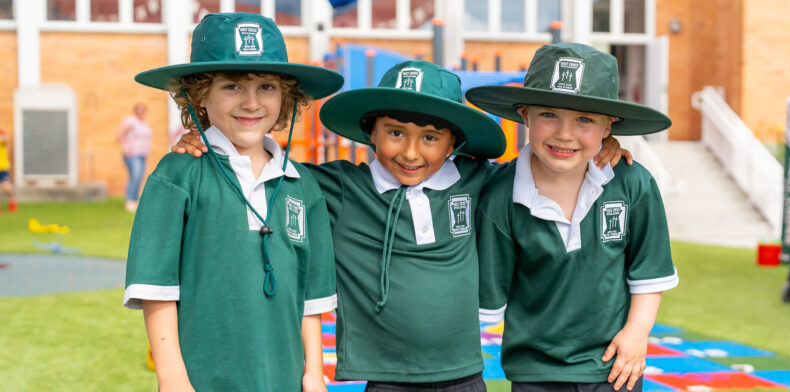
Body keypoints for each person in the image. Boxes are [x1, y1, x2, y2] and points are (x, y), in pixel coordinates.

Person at [175, 59, 629, 391]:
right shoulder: (333, 187)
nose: (411, 153)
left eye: (430, 138)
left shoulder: (481, 181)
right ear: (369, 131)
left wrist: (605, 149)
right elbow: (262, 164)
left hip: (465, 377)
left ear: (455, 143)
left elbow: (553, 162)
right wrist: (210, 138)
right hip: (384, 378)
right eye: (395, 132)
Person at [123, 13, 342, 391]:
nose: (252, 102)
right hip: (202, 381)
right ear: (199, 95)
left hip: (285, 380)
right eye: (232, 87)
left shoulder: (303, 185)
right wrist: (172, 378)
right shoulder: (177, 174)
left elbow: (310, 299)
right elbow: (156, 291)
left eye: (268, 87)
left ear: (286, 96)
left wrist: (312, 374)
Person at [467, 43, 678, 392]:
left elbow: (649, 271)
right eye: (549, 114)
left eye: (585, 119)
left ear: (609, 125)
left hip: (615, 368)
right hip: (535, 373)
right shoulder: (500, 195)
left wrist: (637, 333)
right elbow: (488, 299)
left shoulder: (633, 183)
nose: (565, 133)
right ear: (525, 115)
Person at [116, 102, 153, 212]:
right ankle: (130, 200)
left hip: (142, 154)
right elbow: (120, 134)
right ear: (135, 111)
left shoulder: (144, 124)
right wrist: (126, 148)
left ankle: (135, 199)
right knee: (135, 177)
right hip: (132, 154)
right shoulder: (131, 121)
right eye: (139, 110)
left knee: (140, 177)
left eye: (143, 110)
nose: (141, 112)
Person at [0, 128, 16, 213]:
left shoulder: (1, 136)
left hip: (3, 167)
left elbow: (6, 140)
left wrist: (2, 137)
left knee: (6, 188)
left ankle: (12, 200)